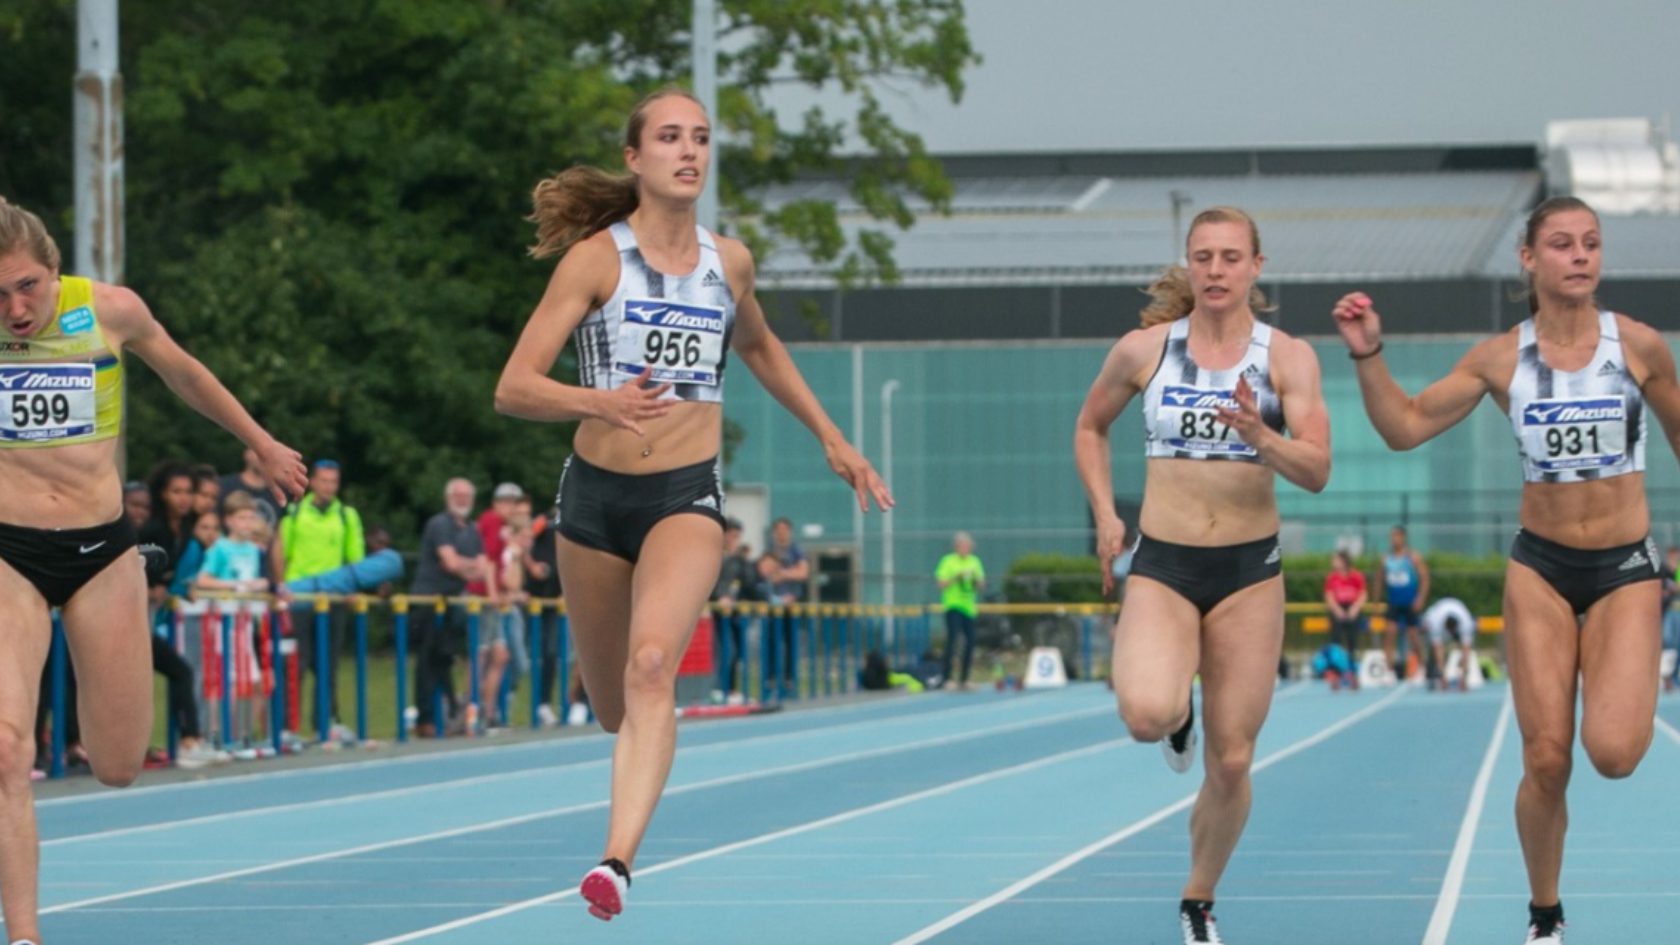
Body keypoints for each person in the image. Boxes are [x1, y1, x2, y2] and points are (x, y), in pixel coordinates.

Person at [493, 86, 892, 922]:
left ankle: (614, 861)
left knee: (652, 667)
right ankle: (625, 769)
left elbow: (760, 345)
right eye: (670, 137)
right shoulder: (595, 261)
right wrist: (598, 401)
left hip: (684, 493)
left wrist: (832, 437)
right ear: (635, 158)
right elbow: (514, 387)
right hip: (594, 500)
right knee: (614, 705)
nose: (688, 151)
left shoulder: (728, 262)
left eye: (701, 138)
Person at [1331, 195, 1680, 944]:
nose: (1580, 255)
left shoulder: (1641, 347)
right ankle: (1544, 916)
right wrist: (1367, 355)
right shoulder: (1500, 359)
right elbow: (1404, 428)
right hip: (1542, 569)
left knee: (1614, 754)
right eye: (1562, 243)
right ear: (1528, 259)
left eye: (1591, 243)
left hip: (1624, 567)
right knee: (1546, 758)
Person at [0, 197, 304, 945]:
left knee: (119, 763)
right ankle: (26, 935)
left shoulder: (111, 311)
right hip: (8, 551)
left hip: (102, 551)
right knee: (7, 746)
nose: (15, 309)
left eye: (26, 287)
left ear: (54, 270)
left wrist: (262, 444)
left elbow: (187, 374)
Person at [1072, 205, 1329, 945]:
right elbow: (1089, 426)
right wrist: (1105, 514)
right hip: (1166, 563)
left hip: (1249, 572)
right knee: (1145, 715)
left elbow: (1317, 468)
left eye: (1230, 257)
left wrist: (1260, 436)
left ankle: (1198, 900)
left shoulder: (1287, 359)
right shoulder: (1145, 351)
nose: (1216, 270)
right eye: (1204, 257)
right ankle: (1177, 715)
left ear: (1256, 267)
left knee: (1234, 759)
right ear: (1190, 265)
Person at [276, 458, 365, 738]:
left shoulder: (346, 516)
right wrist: (281, 587)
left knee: (328, 663)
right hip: (299, 596)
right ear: (313, 482)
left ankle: (324, 723)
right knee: (296, 663)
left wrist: (353, 587)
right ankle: (288, 726)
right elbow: (282, 552)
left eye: (333, 482)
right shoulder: (295, 513)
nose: (328, 486)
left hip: (332, 597)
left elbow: (355, 556)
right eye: (324, 481)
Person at [408, 478, 497, 737]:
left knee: (444, 657)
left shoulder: (471, 530)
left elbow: (481, 568)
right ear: (448, 498)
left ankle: (448, 714)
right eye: (458, 495)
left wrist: (464, 565)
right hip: (428, 599)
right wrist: (469, 566)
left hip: (451, 601)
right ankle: (426, 718)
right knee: (427, 658)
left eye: (467, 496)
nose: (463, 500)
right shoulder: (440, 524)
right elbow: (451, 563)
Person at [709, 518, 757, 704]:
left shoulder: (739, 560)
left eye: (737, 536)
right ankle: (717, 688)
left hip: (734, 612)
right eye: (731, 535)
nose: (733, 539)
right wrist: (719, 597)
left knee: (737, 651)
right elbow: (708, 580)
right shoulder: (711, 554)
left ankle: (731, 688)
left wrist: (743, 559)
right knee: (722, 650)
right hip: (715, 610)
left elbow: (749, 582)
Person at [1376, 525, 1430, 682]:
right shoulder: (1386, 559)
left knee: (1413, 636)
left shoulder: (1412, 557)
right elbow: (1379, 580)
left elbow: (1424, 578)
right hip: (1393, 602)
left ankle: (1421, 667)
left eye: (1397, 536)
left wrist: (1420, 598)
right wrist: (1376, 601)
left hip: (1410, 603)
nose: (1394, 539)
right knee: (1389, 634)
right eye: (1392, 536)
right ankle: (1389, 671)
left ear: (1403, 538)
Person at [762, 516, 808, 697]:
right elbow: (767, 573)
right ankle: (771, 677)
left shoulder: (796, 550)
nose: (781, 533)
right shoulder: (769, 550)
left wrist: (783, 574)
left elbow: (803, 573)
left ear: (789, 531)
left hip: (791, 605)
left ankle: (789, 678)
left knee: (790, 642)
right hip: (773, 605)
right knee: (771, 641)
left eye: (784, 529)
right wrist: (786, 573)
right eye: (778, 530)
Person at [935, 531, 985, 689]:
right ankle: (947, 677)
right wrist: (956, 577)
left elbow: (980, 585)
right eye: (962, 546)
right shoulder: (948, 561)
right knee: (952, 641)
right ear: (956, 546)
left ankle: (965, 678)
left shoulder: (974, 561)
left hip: (969, 608)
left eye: (967, 546)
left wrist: (976, 580)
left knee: (970, 643)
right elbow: (941, 584)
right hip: (953, 606)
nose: (965, 548)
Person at [1322, 550, 1367, 690]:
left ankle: (1352, 673)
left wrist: (1355, 609)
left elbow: (1362, 593)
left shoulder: (1356, 576)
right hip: (1338, 609)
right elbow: (1329, 595)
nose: (1333, 562)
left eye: (1336, 559)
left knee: (1352, 641)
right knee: (1335, 642)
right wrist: (1338, 611)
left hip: (1352, 608)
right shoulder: (1332, 577)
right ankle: (1336, 673)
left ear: (1343, 561)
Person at [1420, 595, 1476, 692]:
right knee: (1433, 650)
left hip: (1458, 611)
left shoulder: (1466, 623)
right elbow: (1438, 649)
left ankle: (1461, 673)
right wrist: (1443, 675)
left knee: (1465, 653)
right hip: (1434, 614)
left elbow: (1466, 649)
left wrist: (1462, 674)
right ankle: (1432, 673)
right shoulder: (1435, 622)